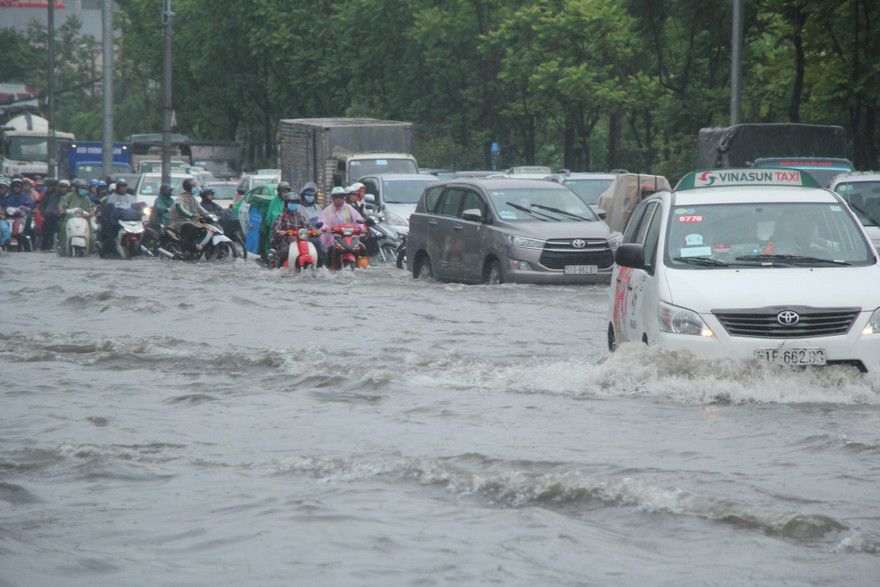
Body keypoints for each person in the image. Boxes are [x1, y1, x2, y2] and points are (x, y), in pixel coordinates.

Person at [318, 186, 365, 268]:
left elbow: (358, 218)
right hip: (333, 237)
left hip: (349, 237)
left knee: (362, 247)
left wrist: (362, 227)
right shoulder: (327, 210)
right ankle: (329, 267)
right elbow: (321, 222)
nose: (338, 199)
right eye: (336, 197)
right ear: (333, 199)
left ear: (344, 198)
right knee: (332, 249)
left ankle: (361, 266)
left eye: (340, 197)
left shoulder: (349, 208)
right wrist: (325, 227)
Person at [169, 178, 211, 256]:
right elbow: (181, 208)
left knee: (203, 228)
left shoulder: (193, 199)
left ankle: (196, 246)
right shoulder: (181, 198)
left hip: (191, 221)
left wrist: (209, 215)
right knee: (190, 228)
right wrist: (191, 215)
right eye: (194, 187)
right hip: (179, 222)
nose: (196, 188)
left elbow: (201, 209)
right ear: (189, 187)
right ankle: (185, 250)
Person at [268, 190, 308, 268]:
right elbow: (276, 229)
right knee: (284, 259)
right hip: (285, 244)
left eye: (295, 203)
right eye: (291, 203)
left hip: (299, 244)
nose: (293, 204)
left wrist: (316, 231)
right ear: (286, 204)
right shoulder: (281, 215)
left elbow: (307, 226)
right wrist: (281, 232)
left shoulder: (300, 216)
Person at [58, 178, 97, 255]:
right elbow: (62, 204)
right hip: (70, 219)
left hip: (84, 220)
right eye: (81, 188)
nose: (83, 190)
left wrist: (91, 213)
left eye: (84, 188)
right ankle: (64, 248)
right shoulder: (69, 196)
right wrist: (62, 210)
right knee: (63, 230)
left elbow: (91, 208)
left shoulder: (86, 199)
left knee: (92, 236)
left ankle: (90, 250)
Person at [258, 181, 291, 264]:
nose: (286, 194)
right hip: (276, 230)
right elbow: (273, 219)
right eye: (284, 192)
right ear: (279, 192)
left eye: (287, 192)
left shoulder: (290, 203)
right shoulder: (274, 203)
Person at [297, 182, 324, 266]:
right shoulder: (298, 207)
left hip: (319, 233)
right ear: (303, 195)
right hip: (306, 234)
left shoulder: (317, 207)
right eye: (308, 195)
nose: (310, 197)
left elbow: (323, 219)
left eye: (312, 195)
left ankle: (324, 264)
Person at [37, 178, 63, 251]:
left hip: (58, 217)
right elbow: (42, 205)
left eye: (50, 186)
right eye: (47, 187)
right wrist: (43, 213)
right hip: (48, 216)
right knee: (44, 229)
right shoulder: (45, 195)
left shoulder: (59, 194)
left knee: (58, 229)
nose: (48, 188)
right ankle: (44, 246)